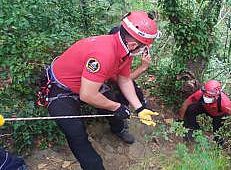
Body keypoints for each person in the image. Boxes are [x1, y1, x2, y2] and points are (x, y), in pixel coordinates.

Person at [37, 11, 160, 170]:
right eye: (145, 46)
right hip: (61, 89)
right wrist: (116, 107)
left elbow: (124, 79)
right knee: (77, 134)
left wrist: (140, 108)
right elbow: (87, 94)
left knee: (113, 104)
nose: (145, 50)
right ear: (133, 45)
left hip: (88, 83)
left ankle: (118, 129)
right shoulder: (104, 53)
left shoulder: (124, 49)